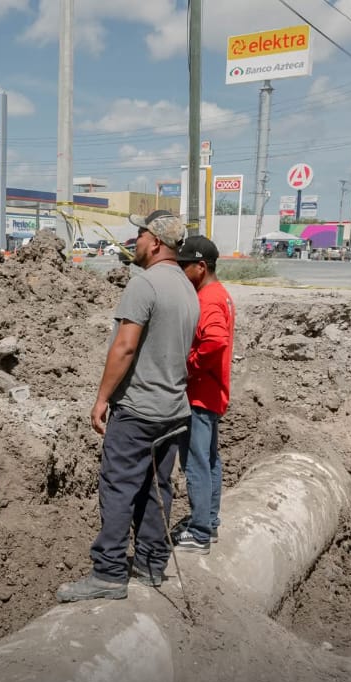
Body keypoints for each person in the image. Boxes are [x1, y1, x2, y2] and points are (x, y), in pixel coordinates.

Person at [57, 210, 199, 602]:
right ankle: (152, 565)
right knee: (157, 489)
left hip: (138, 410)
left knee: (119, 488)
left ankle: (108, 574)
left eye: (139, 234)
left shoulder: (144, 285)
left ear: (155, 241)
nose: (133, 240)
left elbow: (125, 346)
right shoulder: (187, 287)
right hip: (173, 410)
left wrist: (102, 398)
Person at [172, 235, 236, 554]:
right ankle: (208, 520)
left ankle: (199, 533)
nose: (181, 271)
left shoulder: (208, 299)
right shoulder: (220, 295)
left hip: (199, 394)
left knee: (195, 461)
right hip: (211, 393)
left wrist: (191, 366)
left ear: (201, 266)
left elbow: (215, 341)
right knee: (209, 459)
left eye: (185, 266)